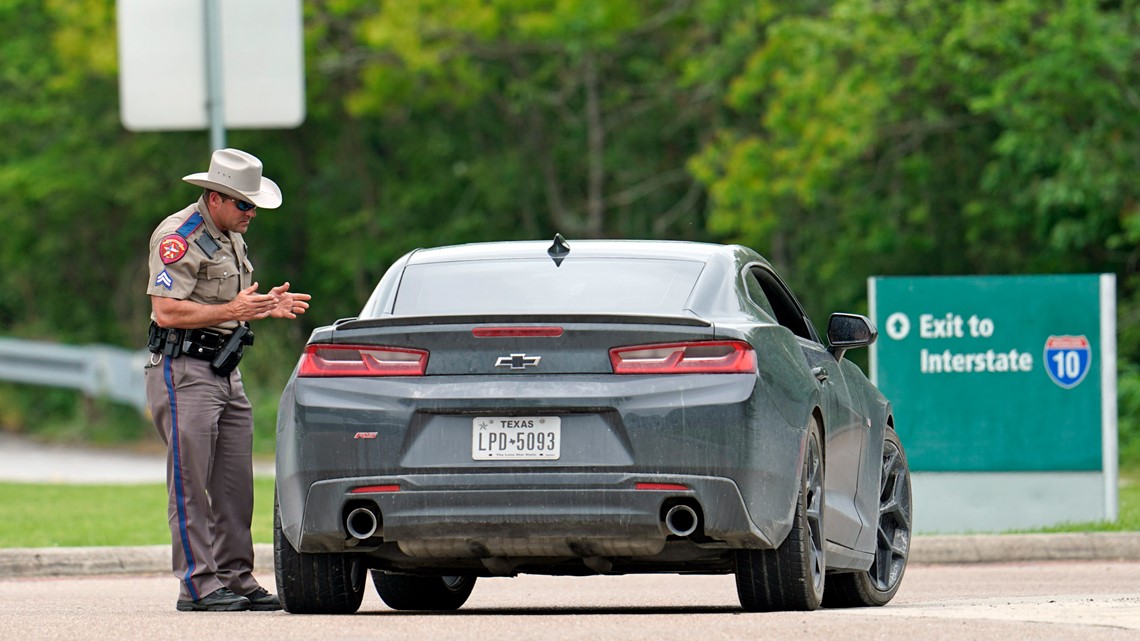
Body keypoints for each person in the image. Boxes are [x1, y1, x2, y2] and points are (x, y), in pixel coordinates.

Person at [143, 148, 311, 612]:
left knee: (236, 485)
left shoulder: (229, 232)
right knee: (190, 483)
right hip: (184, 372)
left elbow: (229, 301)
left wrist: (259, 307)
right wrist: (231, 311)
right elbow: (167, 310)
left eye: (254, 205)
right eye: (243, 204)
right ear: (214, 197)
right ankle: (197, 586)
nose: (251, 213)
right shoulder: (179, 236)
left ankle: (236, 579)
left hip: (224, 371)